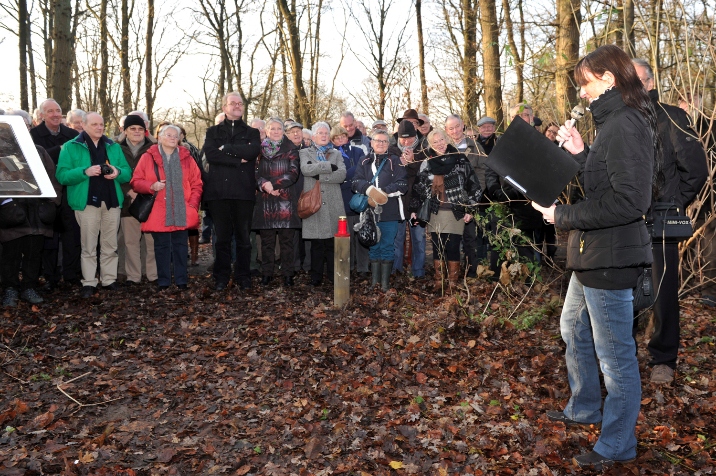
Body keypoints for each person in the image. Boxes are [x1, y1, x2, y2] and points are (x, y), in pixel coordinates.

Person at [531, 44, 658, 470]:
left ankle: (618, 443)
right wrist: (581, 152)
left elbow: (629, 202)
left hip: (611, 258)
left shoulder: (626, 125)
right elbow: (604, 185)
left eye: (584, 84)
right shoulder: (611, 124)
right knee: (571, 325)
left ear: (607, 78)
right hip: (591, 252)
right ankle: (585, 407)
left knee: (616, 356)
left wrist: (561, 215)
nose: (580, 94)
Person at [632, 58, 708, 384]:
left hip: (662, 221)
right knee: (624, 286)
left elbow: (697, 172)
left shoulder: (674, 118)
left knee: (663, 290)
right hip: (624, 221)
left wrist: (672, 205)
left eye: (635, 79)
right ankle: (623, 347)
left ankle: (664, 358)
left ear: (649, 83)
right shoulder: (619, 122)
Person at [55, 112, 132, 298]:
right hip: (86, 202)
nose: (99, 128)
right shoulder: (70, 147)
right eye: (95, 124)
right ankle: (89, 282)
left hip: (112, 201)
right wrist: (84, 171)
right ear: (84, 125)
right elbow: (62, 175)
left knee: (110, 244)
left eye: (102, 124)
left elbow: (128, 173)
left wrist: (117, 171)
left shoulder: (113, 147)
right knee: (88, 245)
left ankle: (109, 279)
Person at [1, 111, 63, 307]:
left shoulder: (39, 151)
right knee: (10, 252)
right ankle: (10, 289)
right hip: (11, 212)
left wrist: (52, 202)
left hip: (37, 212)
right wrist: (5, 203)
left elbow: (53, 179)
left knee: (34, 252)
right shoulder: (3, 151)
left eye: (26, 126)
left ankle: (29, 286)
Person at [130, 125, 203, 290]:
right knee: (161, 247)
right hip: (158, 209)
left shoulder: (187, 158)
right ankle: (163, 281)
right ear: (160, 138)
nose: (172, 138)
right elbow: (135, 181)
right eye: (168, 135)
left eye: (175, 136)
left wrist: (192, 205)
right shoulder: (148, 157)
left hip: (181, 208)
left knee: (180, 246)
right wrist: (152, 185)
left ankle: (181, 281)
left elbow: (197, 184)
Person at [410, 129, 482, 295]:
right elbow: (418, 188)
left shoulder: (460, 160)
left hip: (455, 211)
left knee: (453, 246)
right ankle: (439, 281)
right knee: (437, 247)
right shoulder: (427, 163)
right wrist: (414, 209)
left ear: (447, 139)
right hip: (435, 211)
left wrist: (470, 208)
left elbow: (474, 185)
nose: (439, 144)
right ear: (430, 144)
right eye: (435, 142)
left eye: (441, 140)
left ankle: (453, 283)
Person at [202, 92, 261, 291]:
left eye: (240, 103)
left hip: (244, 192)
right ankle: (221, 276)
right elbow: (211, 155)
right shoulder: (213, 132)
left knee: (244, 239)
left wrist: (226, 148)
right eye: (232, 103)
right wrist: (238, 159)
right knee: (222, 238)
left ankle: (243, 276)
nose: (237, 106)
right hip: (218, 193)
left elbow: (252, 152)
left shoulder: (252, 133)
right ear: (224, 108)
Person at [30, 99, 82, 291]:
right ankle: (49, 276)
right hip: (46, 194)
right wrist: (59, 150)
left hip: (70, 191)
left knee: (71, 235)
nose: (54, 114)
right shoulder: (33, 135)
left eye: (58, 110)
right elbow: (33, 162)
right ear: (42, 115)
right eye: (50, 111)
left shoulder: (72, 135)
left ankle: (70, 274)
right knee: (48, 237)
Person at [486, 104, 546, 263]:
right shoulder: (501, 142)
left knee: (529, 254)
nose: (519, 119)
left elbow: (539, 175)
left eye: (524, 115)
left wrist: (515, 192)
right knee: (502, 252)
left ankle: (530, 285)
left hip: (529, 206)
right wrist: (495, 190)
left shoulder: (539, 143)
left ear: (531, 118)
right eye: (514, 116)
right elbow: (491, 170)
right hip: (504, 206)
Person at [352, 130, 408, 290]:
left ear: (388, 144)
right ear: (371, 142)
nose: (381, 143)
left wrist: (383, 192)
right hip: (369, 211)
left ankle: (385, 284)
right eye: (378, 140)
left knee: (387, 246)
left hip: (390, 210)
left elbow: (403, 184)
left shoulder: (395, 160)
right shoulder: (364, 161)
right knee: (373, 245)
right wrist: (370, 190)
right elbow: (356, 182)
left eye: (384, 141)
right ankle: (374, 283)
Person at [252, 118, 301, 286]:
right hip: (266, 200)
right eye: (272, 128)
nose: (275, 131)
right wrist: (264, 185)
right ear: (266, 130)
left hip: (285, 200)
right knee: (267, 241)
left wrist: (275, 184)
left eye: (278, 128)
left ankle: (288, 274)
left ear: (283, 130)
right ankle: (267, 273)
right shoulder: (258, 150)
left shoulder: (291, 148)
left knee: (287, 242)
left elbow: (293, 173)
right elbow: (254, 172)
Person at [299, 122, 347, 286]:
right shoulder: (304, 152)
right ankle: (316, 277)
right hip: (314, 202)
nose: (324, 135)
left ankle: (334, 276)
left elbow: (341, 174)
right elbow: (306, 169)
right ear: (313, 136)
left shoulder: (336, 153)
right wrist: (328, 167)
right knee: (316, 244)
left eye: (326, 133)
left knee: (332, 243)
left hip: (333, 203)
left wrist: (320, 176)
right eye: (320, 133)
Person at [445, 114, 489, 276]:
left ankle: (471, 271)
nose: (455, 131)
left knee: (470, 238)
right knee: (450, 238)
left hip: (470, 200)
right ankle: (451, 271)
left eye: (457, 126)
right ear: (446, 130)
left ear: (463, 125)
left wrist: (474, 197)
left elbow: (483, 173)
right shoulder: (443, 147)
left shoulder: (476, 147)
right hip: (448, 200)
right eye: (451, 128)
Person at [117, 113, 158, 286]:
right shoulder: (115, 148)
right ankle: (133, 276)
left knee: (151, 241)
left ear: (145, 131)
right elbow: (114, 172)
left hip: (150, 201)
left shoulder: (154, 148)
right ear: (125, 130)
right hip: (127, 202)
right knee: (130, 241)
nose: (136, 132)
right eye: (132, 128)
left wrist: (145, 189)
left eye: (140, 129)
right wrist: (129, 191)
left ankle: (153, 275)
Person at [389, 120, 428, 279]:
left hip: (417, 203)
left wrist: (412, 162)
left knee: (418, 239)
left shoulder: (423, 150)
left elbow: (426, 174)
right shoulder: (392, 151)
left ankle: (418, 272)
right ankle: (395, 271)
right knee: (397, 239)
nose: (406, 142)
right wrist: (400, 165)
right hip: (397, 203)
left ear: (415, 136)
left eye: (409, 139)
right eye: (402, 139)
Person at [332, 126, 369, 277]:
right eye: (336, 138)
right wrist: (349, 176)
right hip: (340, 200)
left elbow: (363, 172)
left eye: (343, 137)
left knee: (360, 236)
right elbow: (335, 178)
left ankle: (363, 267)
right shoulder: (330, 155)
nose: (340, 140)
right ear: (332, 140)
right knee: (345, 238)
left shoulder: (358, 151)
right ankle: (347, 267)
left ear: (347, 137)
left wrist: (344, 176)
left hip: (357, 200)